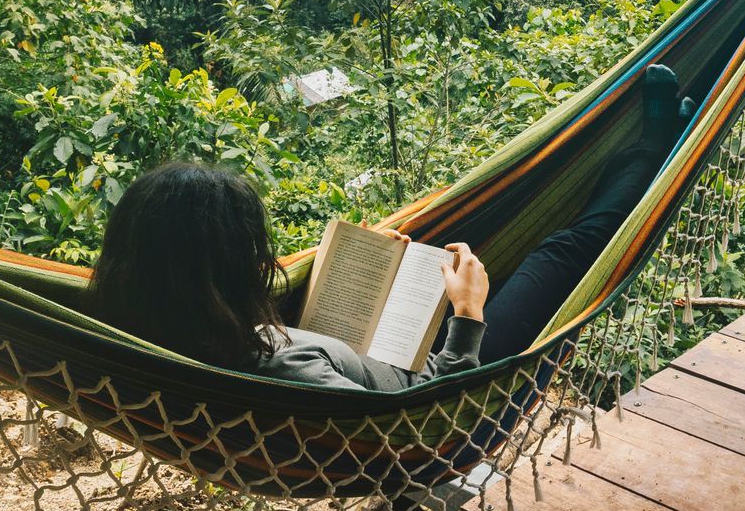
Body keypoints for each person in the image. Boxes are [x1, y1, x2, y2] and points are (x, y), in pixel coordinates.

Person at [86, 65, 693, 390]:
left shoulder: (140, 323)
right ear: (221, 268)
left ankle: (648, 149)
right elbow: (421, 411)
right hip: (453, 391)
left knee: (446, 253)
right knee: (561, 253)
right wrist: (468, 315)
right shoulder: (279, 372)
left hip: (370, 349)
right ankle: (656, 144)